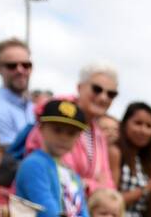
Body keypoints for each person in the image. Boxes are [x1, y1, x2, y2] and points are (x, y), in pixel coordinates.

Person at [20, 63, 117, 199]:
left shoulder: (98, 132)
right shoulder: (55, 117)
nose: (103, 97)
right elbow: (62, 178)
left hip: (78, 213)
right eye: (97, 89)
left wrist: (86, 185)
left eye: (111, 94)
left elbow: (108, 185)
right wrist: (92, 186)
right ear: (79, 87)